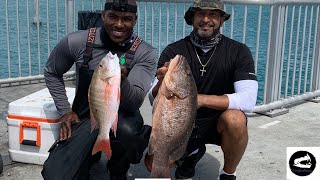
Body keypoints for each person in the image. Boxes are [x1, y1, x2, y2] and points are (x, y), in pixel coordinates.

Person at [41, 0, 156, 180]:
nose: (119, 24)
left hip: (123, 116)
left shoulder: (144, 52)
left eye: (126, 19)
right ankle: (90, 155)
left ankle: (118, 168)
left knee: (129, 133)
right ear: (103, 16)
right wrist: (65, 111)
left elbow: (134, 101)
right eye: (112, 17)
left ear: (135, 20)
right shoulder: (77, 41)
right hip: (86, 116)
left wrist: (122, 82)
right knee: (55, 175)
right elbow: (52, 72)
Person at [147, 0, 258, 179]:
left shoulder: (239, 51)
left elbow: (248, 100)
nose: (206, 19)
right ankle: (190, 156)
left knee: (236, 120)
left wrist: (200, 100)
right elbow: (153, 99)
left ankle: (228, 173)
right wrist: (161, 82)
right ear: (192, 18)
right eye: (200, 14)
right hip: (181, 123)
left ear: (222, 20)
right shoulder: (173, 51)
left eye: (213, 14)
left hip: (217, 122)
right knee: (153, 164)